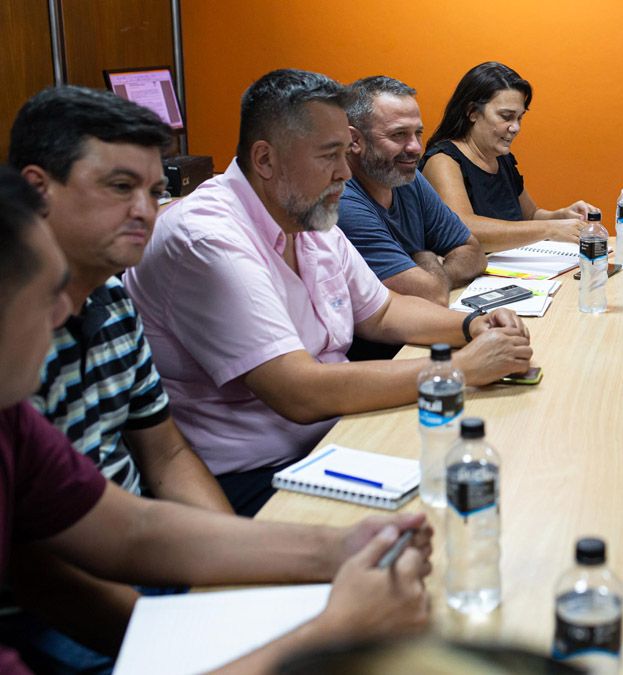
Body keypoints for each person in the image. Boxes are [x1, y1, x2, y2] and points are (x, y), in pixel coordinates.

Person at [0, 166, 433, 675]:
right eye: (47, 296)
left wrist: (339, 547)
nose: (62, 317)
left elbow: (134, 529)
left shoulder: (14, 423)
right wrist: (332, 631)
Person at [125, 69, 533, 516]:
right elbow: (299, 391)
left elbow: (383, 312)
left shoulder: (305, 209)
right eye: (329, 155)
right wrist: (458, 370)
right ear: (265, 160)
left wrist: (472, 324)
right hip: (253, 478)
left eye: (346, 152)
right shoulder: (208, 238)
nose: (344, 171)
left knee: (490, 473)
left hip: (335, 439)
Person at [6, 83, 234, 671]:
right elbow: (36, 568)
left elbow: (166, 456)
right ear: (37, 189)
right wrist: (177, 637)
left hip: (141, 557)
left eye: (155, 191)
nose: (145, 210)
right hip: (53, 610)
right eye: (119, 187)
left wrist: (227, 574)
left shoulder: (112, 297)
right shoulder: (14, 334)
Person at [420, 62, 597, 252]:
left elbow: (529, 216)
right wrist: (550, 229)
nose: (516, 128)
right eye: (506, 117)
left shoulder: (502, 158)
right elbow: (463, 227)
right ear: (472, 112)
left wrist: (561, 216)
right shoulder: (442, 161)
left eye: (520, 117)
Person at [339, 76, 485, 306]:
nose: (416, 147)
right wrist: (426, 257)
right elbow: (431, 295)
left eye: (417, 133)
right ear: (354, 140)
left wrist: (431, 276)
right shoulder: (341, 200)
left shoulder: (409, 177)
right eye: (398, 134)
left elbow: (473, 252)